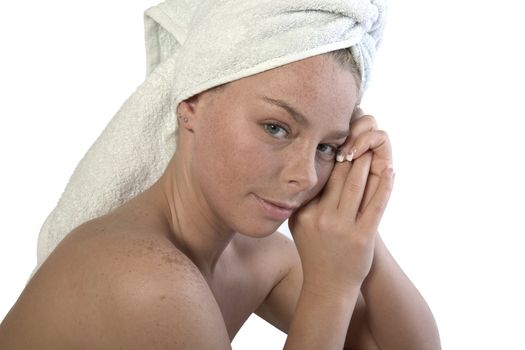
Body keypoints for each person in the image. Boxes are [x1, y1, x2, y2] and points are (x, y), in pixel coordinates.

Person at [0, 1, 440, 349]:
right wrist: (330, 289)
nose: (306, 176)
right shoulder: (146, 278)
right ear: (192, 105)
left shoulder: (254, 258)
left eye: (327, 146)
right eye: (275, 128)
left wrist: (360, 228)